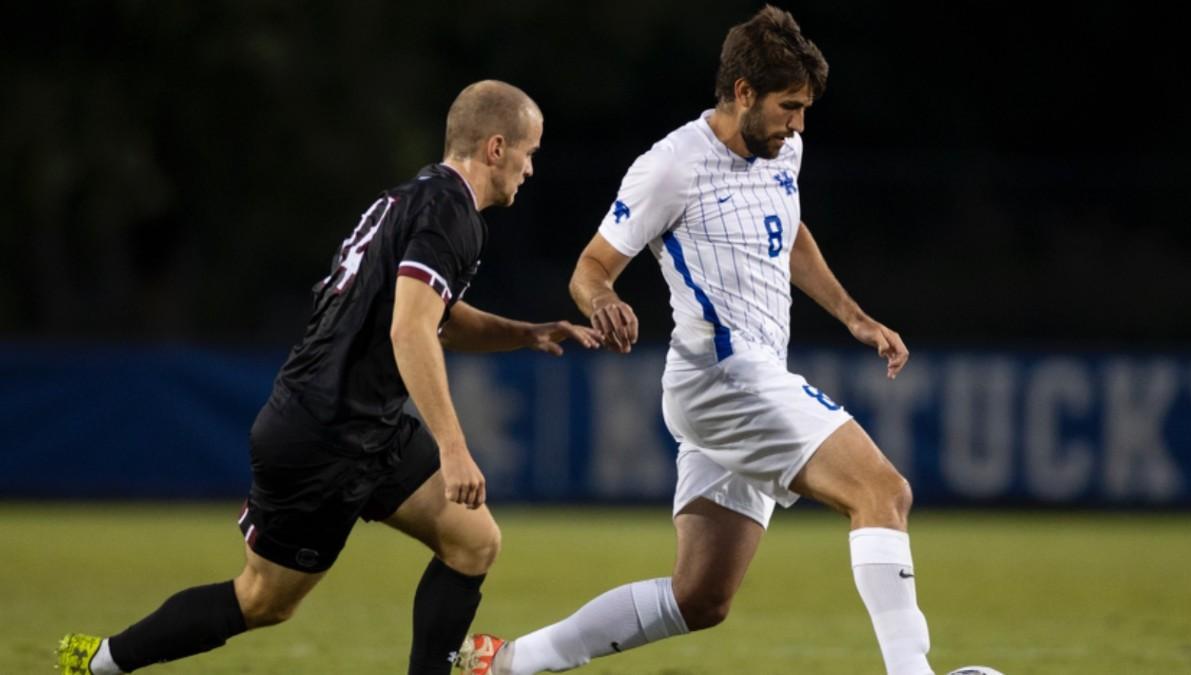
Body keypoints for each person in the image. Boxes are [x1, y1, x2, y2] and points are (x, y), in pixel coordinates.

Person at [57, 79, 601, 675]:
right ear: (496, 147)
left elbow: (434, 319)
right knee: (263, 600)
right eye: (530, 151)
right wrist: (453, 446)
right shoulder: (451, 214)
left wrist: (524, 333)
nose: (531, 168)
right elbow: (410, 331)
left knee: (473, 541)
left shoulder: (417, 198)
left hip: (366, 425)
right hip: (322, 434)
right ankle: (97, 663)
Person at [457, 7, 937, 675]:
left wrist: (852, 315)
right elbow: (589, 267)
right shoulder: (671, 166)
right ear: (743, 92)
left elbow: (790, 231)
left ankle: (506, 661)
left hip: (745, 376)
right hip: (723, 376)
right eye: (788, 106)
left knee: (701, 596)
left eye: (804, 109)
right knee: (883, 491)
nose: (799, 123)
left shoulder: (782, 148)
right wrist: (605, 299)